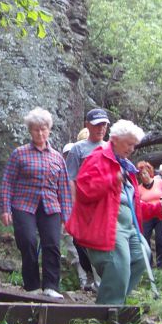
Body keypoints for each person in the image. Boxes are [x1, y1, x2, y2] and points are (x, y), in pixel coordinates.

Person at [66, 119, 162, 306]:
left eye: (134, 145)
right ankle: (109, 310)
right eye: (129, 144)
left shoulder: (126, 165)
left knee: (141, 255)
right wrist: (112, 179)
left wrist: (157, 208)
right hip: (108, 222)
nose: (131, 149)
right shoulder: (97, 158)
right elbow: (84, 190)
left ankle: (113, 302)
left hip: (129, 224)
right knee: (118, 263)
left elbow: (131, 202)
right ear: (115, 139)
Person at [0, 107, 72, 299]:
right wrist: (5, 208)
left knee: (52, 244)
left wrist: (67, 216)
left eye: (43, 129)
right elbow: (8, 181)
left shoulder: (57, 157)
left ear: (49, 130)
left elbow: (63, 187)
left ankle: (51, 286)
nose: (40, 133)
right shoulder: (19, 154)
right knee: (28, 241)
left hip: (50, 206)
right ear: (30, 131)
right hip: (24, 204)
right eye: (35, 129)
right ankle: (32, 286)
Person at [64, 108, 111, 287]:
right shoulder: (78, 150)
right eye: (97, 124)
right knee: (81, 241)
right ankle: (93, 276)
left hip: (107, 205)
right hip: (85, 206)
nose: (101, 128)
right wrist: (74, 207)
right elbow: (71, 179)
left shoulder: (110, 148)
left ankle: (104, 284)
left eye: (104, 125)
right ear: (87, 125)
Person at [136, 161, 162, 262]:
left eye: (145, 173)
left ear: (149, 172)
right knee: (145, 239)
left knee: (161, 239)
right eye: (140, 174)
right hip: (146, 216)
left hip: (161, 214)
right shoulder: (138, 189)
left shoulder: (160, 183)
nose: (143, 176)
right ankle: (149, 263)